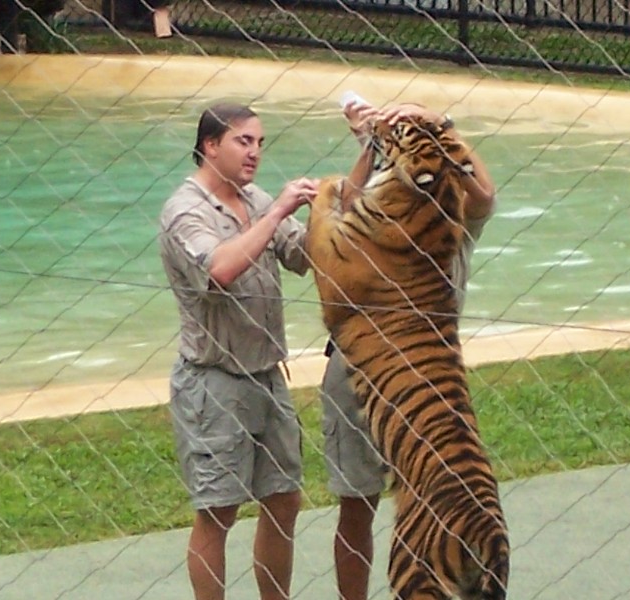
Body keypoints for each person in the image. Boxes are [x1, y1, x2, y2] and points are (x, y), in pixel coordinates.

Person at [320, 99, 497, 600]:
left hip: (424, 385)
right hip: (360, 372)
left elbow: (484, 193)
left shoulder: (457, 215)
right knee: (357, 502)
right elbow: (342, 220)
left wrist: (441, 125)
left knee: (435, 499)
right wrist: (372, 146)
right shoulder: (383, 203)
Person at [159, 103, 319, 600]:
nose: (254, 153)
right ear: (210, 146)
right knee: (218, 512)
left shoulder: (255, 197)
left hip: (267, 375)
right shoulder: (184, 210)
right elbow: (218, 271)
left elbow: (303, 255)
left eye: (259, 143)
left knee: (284, 499)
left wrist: (337, 200)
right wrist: (276, 213)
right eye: (242, 141)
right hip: (214, 382)